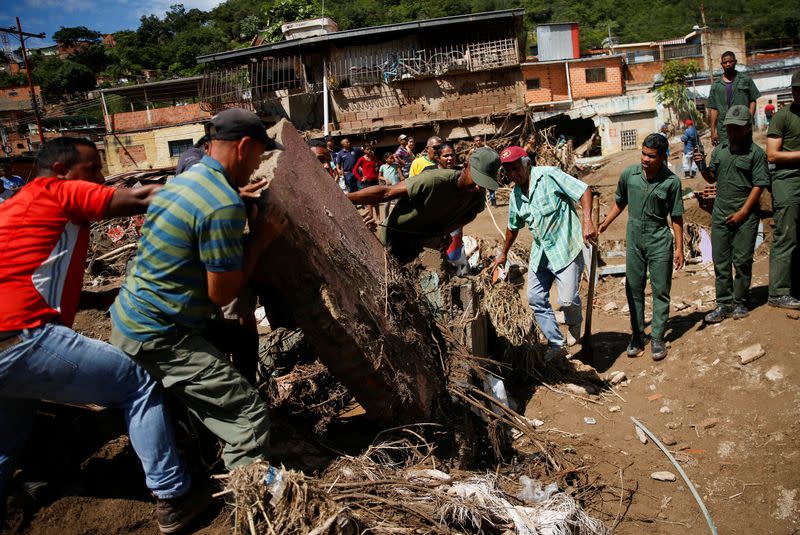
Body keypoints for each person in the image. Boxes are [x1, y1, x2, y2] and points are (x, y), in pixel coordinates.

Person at [0, 138, 207, 533]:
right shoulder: (59, 192)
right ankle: (173, 495)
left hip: (5, 344)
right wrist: (215, 190)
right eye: (92, 169)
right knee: (139, 382)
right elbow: (144, 196)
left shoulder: (12, 208)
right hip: (21, 334)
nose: (100, 177)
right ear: (62, 171)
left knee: (8, 435)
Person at [109, 108, 287, 473]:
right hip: (159, 332)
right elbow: (222, 295)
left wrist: (237, 197)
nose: (258, 165)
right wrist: (263, 240)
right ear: (243, 147)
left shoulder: (185, 181)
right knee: (248, 414)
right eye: (259, 155)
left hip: (133, 313)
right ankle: (253, 504)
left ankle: (202, 430)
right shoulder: (221, 204)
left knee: (238, 339)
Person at [490, 146, 596, 361]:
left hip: (566, 246)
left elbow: (584, 190)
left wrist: (587, 221)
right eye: (508, 171)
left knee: (567, 301)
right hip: (542, 251)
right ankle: (556, 344)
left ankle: (575, 324)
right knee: (535, 298)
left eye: (516, 167)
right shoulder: (516, 196)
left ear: (527, 163)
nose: (513, 174)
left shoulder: (549, 175)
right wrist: (503, 253)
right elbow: (513, 226)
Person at [598, 133, 684, 361]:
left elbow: (676, 218)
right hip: (634, 239)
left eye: (651, 156)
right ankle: (637, 335)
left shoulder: (672, 182)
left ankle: (657, 337)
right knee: (633, 288)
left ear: (663, 157)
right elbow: (620, 202)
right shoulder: (630, 175)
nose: (645, 159)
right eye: (643, 154)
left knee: (660, 290)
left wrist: (679, 248)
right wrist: (604, 224)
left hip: (659, 240)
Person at [347, 146, 501, 263]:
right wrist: (346, 198)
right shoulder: (434, 180)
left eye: (484, 183)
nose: (479, 187)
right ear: (465, 166)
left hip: (422, 245)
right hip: (393, 239)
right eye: (477, 179)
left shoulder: (478, 194)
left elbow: (470, 214)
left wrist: (444, 231)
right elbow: (386, 192)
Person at [695, 106, 769, 322]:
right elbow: (711, 178)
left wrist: (743, 212)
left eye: (736, 128)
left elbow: (759, 185)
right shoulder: (720, 151)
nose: (732, 131)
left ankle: (740, 302)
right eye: (729, 127)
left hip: (745, 213)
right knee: (721, 260)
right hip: (721, 212)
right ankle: (723, 303)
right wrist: (701, 165)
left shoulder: (755, 153)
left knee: (743, 259)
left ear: (747, 128)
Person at [765, 71, 800, 309]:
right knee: (786, 234)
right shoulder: (782, 117)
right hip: (788, 178)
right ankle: (778, 292)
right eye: (796, 89)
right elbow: (772, 154)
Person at [707, 51, 760, 147]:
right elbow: (714, 109)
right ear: (721, 64)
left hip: (742, 126)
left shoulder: (746, 79)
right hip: (724, 130)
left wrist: (749, 118)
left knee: (745, 152)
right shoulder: (716, 85)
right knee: (725, 155)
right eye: (725, 62)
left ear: (735, 62)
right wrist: (713, 131)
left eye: (730, 61)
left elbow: (752, 100)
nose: (728, 64)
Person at [354, 146, 381, 221]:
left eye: (370, 149)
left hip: (375, 180)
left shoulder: (374, 157)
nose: (369, 150)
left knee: (376, 199)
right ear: (364, 151)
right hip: (367, 181)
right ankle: (371, 216)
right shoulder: (361, 159)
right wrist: (360, 178)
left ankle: (378, 218)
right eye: (367, 149)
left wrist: (377, 169)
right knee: (369, 199)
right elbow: (354, 170)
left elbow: (381, 164)